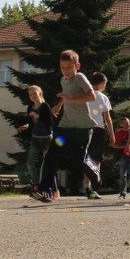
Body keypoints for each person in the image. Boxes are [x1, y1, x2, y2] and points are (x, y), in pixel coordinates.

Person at [52, 50, 99, 198]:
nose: (66, 71)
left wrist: (70, 100)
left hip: (83, 127)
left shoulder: (79, 77)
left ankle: (94, 174)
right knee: (55, 147)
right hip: (67, 126)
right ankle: (47, 186)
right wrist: (59, 105)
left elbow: (92, 96)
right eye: (62, 67)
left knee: (79, 161)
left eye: (69, 67)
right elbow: (66, 96)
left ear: (77, 66)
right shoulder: (63, 80)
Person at [17, 85, 56, 203]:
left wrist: (37, 116)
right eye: (30, 94)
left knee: (48, 164)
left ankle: (52, 189)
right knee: (30, 161)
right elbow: (30, 122)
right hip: (35, 138)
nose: (33, 96)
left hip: (47, 138)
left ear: (40, 93)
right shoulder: (30, 108)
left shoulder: (45, 106)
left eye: (35, 93)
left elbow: (50, 122)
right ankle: (37, 184)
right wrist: (26, 126)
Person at [86, 72, 116, 199]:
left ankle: (86, 186)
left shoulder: (85, 95)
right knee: (97, 159)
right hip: (98, 129)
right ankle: (94, 186)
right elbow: (107, 118)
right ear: (102, 83)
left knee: (86, 158)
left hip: (85, 128)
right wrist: (112, 135)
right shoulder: (102, 97)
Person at [112, 117, 130, 199]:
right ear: (121, 125)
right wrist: (122, 146)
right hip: (123, 156)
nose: (126, 124)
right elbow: (114, 144)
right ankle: (122, 193)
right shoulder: (119, 133)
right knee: (122, 175)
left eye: (127, 122)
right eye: (124, 123)